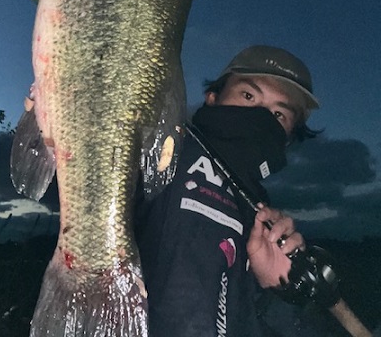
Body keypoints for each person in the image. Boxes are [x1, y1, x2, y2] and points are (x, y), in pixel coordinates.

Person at [135, 45, 331, 337]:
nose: (260, 117)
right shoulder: (162, 148)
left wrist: (277, 288)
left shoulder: (263, 218)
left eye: (278, 114)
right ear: (213, 98)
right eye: (248, 96)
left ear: (288, 138)